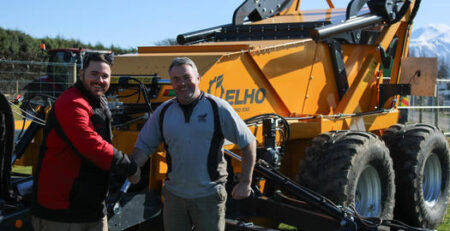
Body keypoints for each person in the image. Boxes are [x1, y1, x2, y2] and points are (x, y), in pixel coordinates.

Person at [130, 57, 257, 231]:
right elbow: (144, 145)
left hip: (209, 197)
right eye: (176, 79)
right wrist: (133, 167)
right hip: (174, 197)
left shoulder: (217, 108)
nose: (182, 83)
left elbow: (248, 142)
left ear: (198, 78)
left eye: (186, 77)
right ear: (171, 83)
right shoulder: (164, 112)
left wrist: (245, 183)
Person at [31, 53, 141, 231]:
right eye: (94, 74)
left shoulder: (98, 102)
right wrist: (129, 166)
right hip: (62, 213)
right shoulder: (72, 102)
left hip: (93, 210)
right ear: (81, 73)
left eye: (105, 76)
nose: (100, 80)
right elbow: (90, 144)